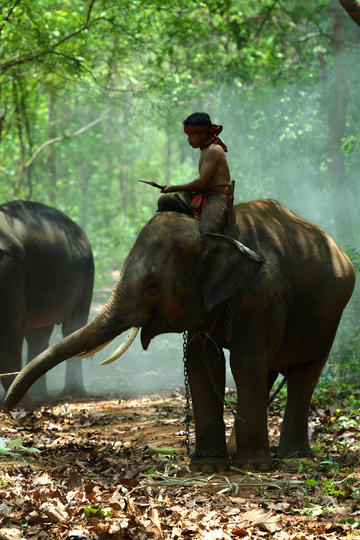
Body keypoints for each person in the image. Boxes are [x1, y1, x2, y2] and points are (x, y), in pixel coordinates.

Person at [157, 112, 233, 234]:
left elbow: (201, 183)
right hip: (203, 193)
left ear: (203, 133)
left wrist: (173, 188)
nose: (189, 140)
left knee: (208, 231)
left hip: (216, 197)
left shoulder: (214, 150)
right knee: (165, 201)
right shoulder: (204, 149)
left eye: (191, 136)